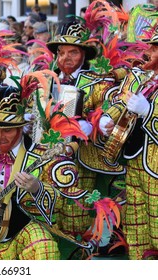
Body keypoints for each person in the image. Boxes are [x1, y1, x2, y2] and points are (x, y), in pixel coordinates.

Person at [0, 86, 89, 260]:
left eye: (7, 130)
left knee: (46, 248)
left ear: (21, 128)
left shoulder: (42, 156)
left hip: (25, 231)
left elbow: (62, 202)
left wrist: (37, 188)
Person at [45, 21, 126, 243]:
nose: (65, 58)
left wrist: (98, 123)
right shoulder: (46, 79)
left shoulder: (97, 81)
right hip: (45, 159)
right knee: (48, 215)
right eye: (61, 52)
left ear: (84, 54)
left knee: (76, 218)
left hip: (81, 161)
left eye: (73, 52)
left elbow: (114, 101)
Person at [98, 30, 158, 259]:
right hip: (135, 160)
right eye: (151, 46)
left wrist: (149, 112)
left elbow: (141, 107)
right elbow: (125, 98)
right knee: (136, 228)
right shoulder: (145, 76)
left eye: (155, 48)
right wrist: (109, 117)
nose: (149, 51)